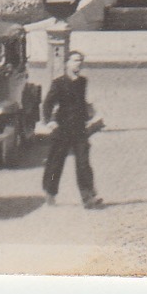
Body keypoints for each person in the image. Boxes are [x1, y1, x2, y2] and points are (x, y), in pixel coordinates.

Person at [42, 50, 103, 208]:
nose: (78, 63)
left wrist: (92, 116)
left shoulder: (83, 81)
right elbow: (47, 103)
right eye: (75, 60)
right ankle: (50, 192)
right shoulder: (59, 83)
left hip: (79, 128)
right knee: (56, 162)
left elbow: (83, 103)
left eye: (80, 60)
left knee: (83, 163)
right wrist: (49, 121)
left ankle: (88, 196)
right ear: (67, 63)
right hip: (62, 129)